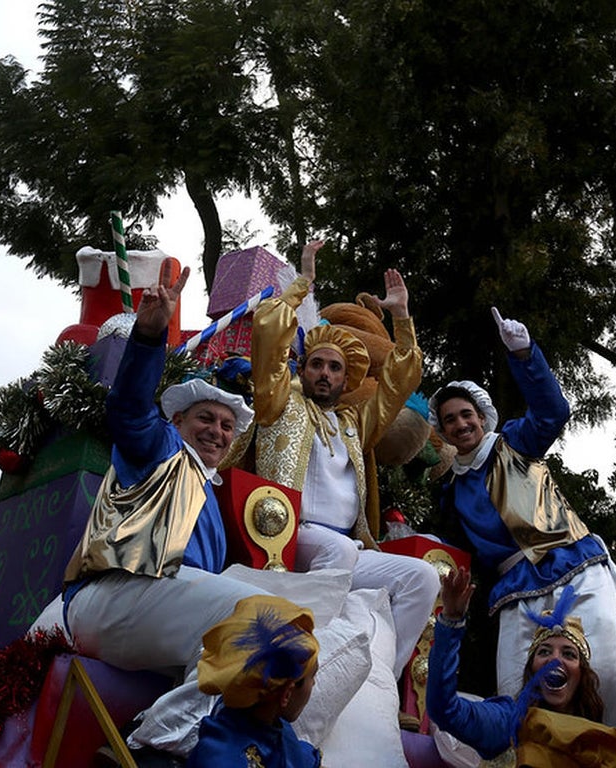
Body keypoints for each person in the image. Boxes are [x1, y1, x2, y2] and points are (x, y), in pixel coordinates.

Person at [46, 263, 265, 673]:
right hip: (114, 595)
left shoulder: (208, 493)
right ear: (177, 421)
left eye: (226, 426)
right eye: (205, 418)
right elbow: (128, 409)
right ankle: (177, 735)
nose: (216, 431)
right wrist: (148, 336)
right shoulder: (162, 446)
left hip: (159, 610)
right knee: (258, 620)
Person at [428, 308, 616, 730]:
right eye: (450, 419)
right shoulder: (452, 488)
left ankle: (613, 752)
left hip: (573, 564)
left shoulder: (515, 442)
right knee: (513, 689)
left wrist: (524, 354)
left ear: (482, 417)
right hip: (515, 588)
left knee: (610, 675)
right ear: (443, 433)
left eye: (466, 414)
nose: (460, 423)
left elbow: (552, 412)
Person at [246, 240, 440, 677]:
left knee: (422, 579)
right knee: (336, 550)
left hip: (347, 549)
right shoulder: (280, 402)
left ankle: (379, 683)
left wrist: (401, 316)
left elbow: (401, 377)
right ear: (303, 368)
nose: (325, 374)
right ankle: (309, 668)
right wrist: (303, 284)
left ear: (345, 377)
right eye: (317, 364)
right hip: (289, 538)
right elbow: (269, 330)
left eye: (335, 368)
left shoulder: (355, 422)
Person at [426, 566, 616, 767]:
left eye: (568, 654)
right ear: (531, 670)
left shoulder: (607, 743)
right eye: (544, 652)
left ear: (582, 675)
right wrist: (451, 621)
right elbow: (444, 709)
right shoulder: (509, 722)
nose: (555, 659)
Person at [186, 595, 322, 767]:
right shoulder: (221, 758)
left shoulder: (265, 723)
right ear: (287, 693)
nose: (314, 684)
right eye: (313, 677)